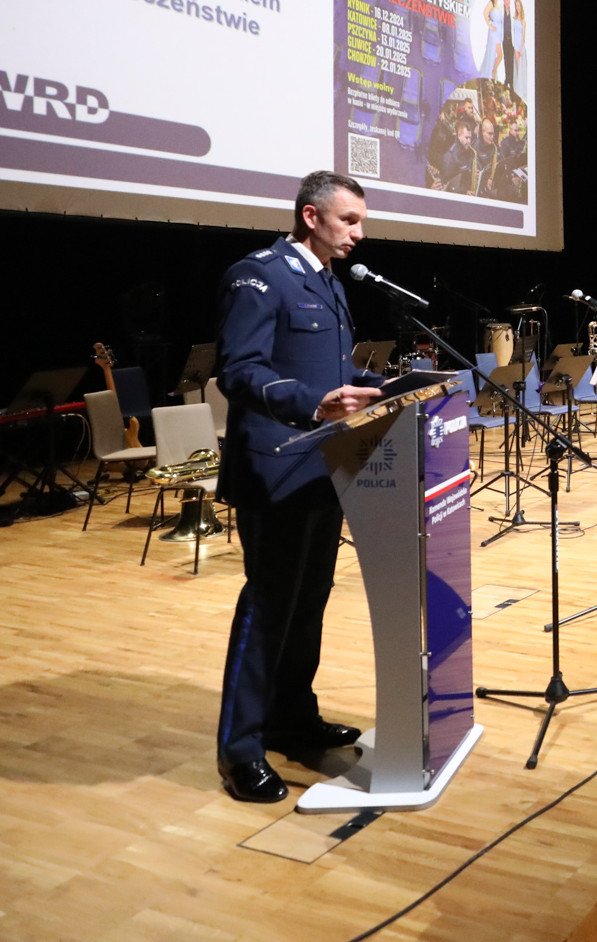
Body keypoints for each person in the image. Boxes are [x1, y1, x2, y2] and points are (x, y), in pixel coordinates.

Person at [212, 172, 385, 803]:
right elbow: (239, 371)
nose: (359, 235)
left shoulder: (329, 281)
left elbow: (329, 369)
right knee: (268, 606)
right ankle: (240, 750)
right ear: (311, 216)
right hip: (276, 469)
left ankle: (292, 717)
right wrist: (315, 404)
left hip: (324, 468)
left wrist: (384, 384)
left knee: (310, 598)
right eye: (350, 222)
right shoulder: (257, 275)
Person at [439, 118, 479, 194]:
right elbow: (447, 185)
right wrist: (465, 192)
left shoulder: (470, 152)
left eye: (470, 138)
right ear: (459, 135)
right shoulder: (450, 156)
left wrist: (474, 173)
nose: (469, 141)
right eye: (466, 138)